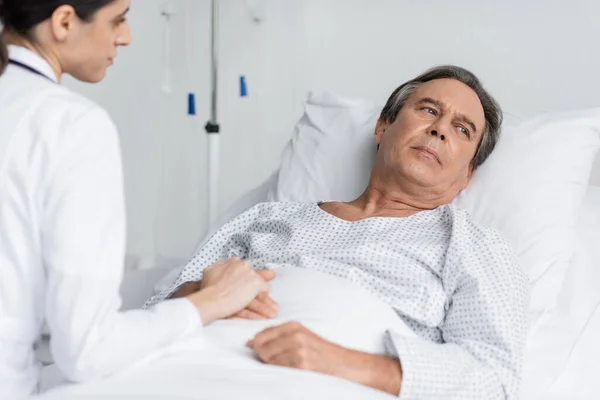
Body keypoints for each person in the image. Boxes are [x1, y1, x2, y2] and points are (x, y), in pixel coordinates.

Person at [146, 66, 529, 399]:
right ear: (383, 126)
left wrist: (340, 362)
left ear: (466, 175)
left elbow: (493, 380)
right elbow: (152, 316)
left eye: (462, 129)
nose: (440, 129)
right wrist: (204, 294)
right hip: (202, 364)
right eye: (429, 110)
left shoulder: (473, 246)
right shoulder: (267, 217)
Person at [0, 1, 277, 398]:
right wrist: (209, 302)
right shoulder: (71, 125)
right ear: (63, 21)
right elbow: (88, 352)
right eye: (118, 19)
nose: (126, 37)